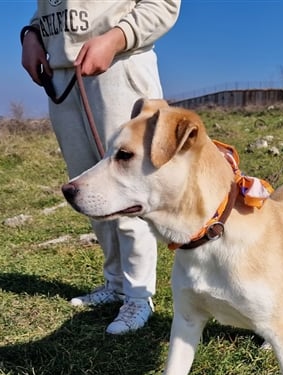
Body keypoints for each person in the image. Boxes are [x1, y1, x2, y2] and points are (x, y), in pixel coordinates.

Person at [21, 0, 180, 334]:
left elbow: (164, 3)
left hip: (119, 66)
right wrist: (31, 35)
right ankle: (116, 283)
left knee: (128, 187)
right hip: (63, 76)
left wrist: (118, 37)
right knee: (91, 189)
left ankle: (139, 295)